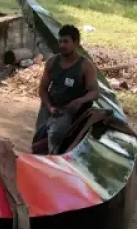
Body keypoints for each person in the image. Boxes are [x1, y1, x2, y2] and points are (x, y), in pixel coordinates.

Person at [38, 24, 100, 154]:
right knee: (39, 135)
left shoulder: (85, 65)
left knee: (55, 135)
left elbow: (95, 92)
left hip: (68, 109)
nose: (62, 45)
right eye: (60, 41)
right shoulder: (52, 62)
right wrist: (49, 107)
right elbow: (42, 89)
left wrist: (80, 101)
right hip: (50, 105)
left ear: (76, 43)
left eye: (66, 41)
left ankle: (54, 160)